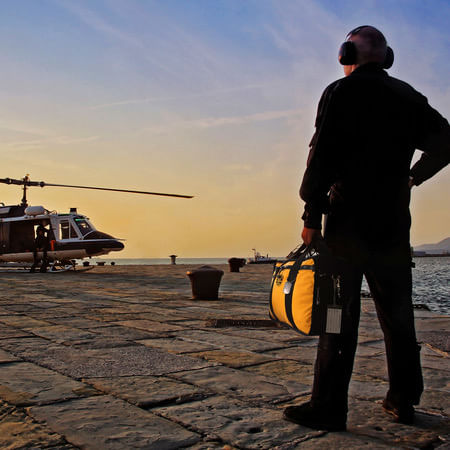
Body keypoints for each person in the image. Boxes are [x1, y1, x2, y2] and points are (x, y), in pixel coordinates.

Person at [283, 25, 450, 431]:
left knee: (338, 317)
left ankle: (328, 406)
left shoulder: (340, 92)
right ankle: (403, 401)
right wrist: (414, 176)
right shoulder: (409, 96)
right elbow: (447, 140)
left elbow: (319, 161)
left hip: (346, 229)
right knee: (398, 318)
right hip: (393, 226)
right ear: (386, 57)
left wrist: (310, 215)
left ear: (346, 54)